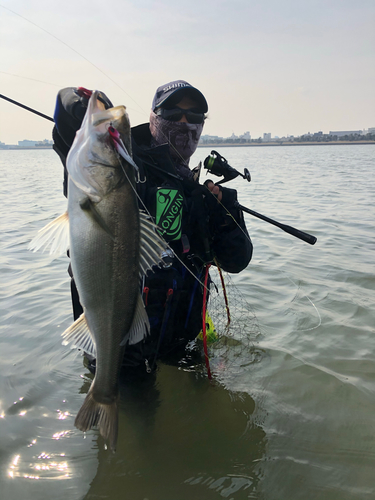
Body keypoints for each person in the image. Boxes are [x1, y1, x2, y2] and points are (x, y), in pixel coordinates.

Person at [52, 80, 253, 374]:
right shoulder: (124, 165)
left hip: (181, 348)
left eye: (194, 118)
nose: (184, 125)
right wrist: (79, 106)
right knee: (137, 414)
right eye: (173, 114)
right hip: (123, 350)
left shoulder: (200, 191)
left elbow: (237, 260)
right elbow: (67, 130)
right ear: (154, 117)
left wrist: (225, 212)